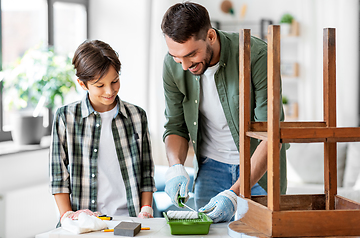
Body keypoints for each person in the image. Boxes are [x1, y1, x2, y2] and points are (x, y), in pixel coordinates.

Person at [161, 2, 287, 223]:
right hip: (210, 169)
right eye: (177, 57)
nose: (184, 66)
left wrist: (234, 193)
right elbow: (175, 126)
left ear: (210, 36)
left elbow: (271, 134)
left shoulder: (256, 55)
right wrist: (176, 167)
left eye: (191, 54)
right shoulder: (173, 66)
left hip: (259, 171)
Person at [49, 40, 156, 225]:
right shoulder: (65, 117)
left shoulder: (137, 116)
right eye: (100, 85)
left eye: (115, 81)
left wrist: (146, 209)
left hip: (129, 219)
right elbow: (59, 176)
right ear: (83, 84)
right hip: (84, 223)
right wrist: (67, 216)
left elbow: (146, 171)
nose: (109, 90)